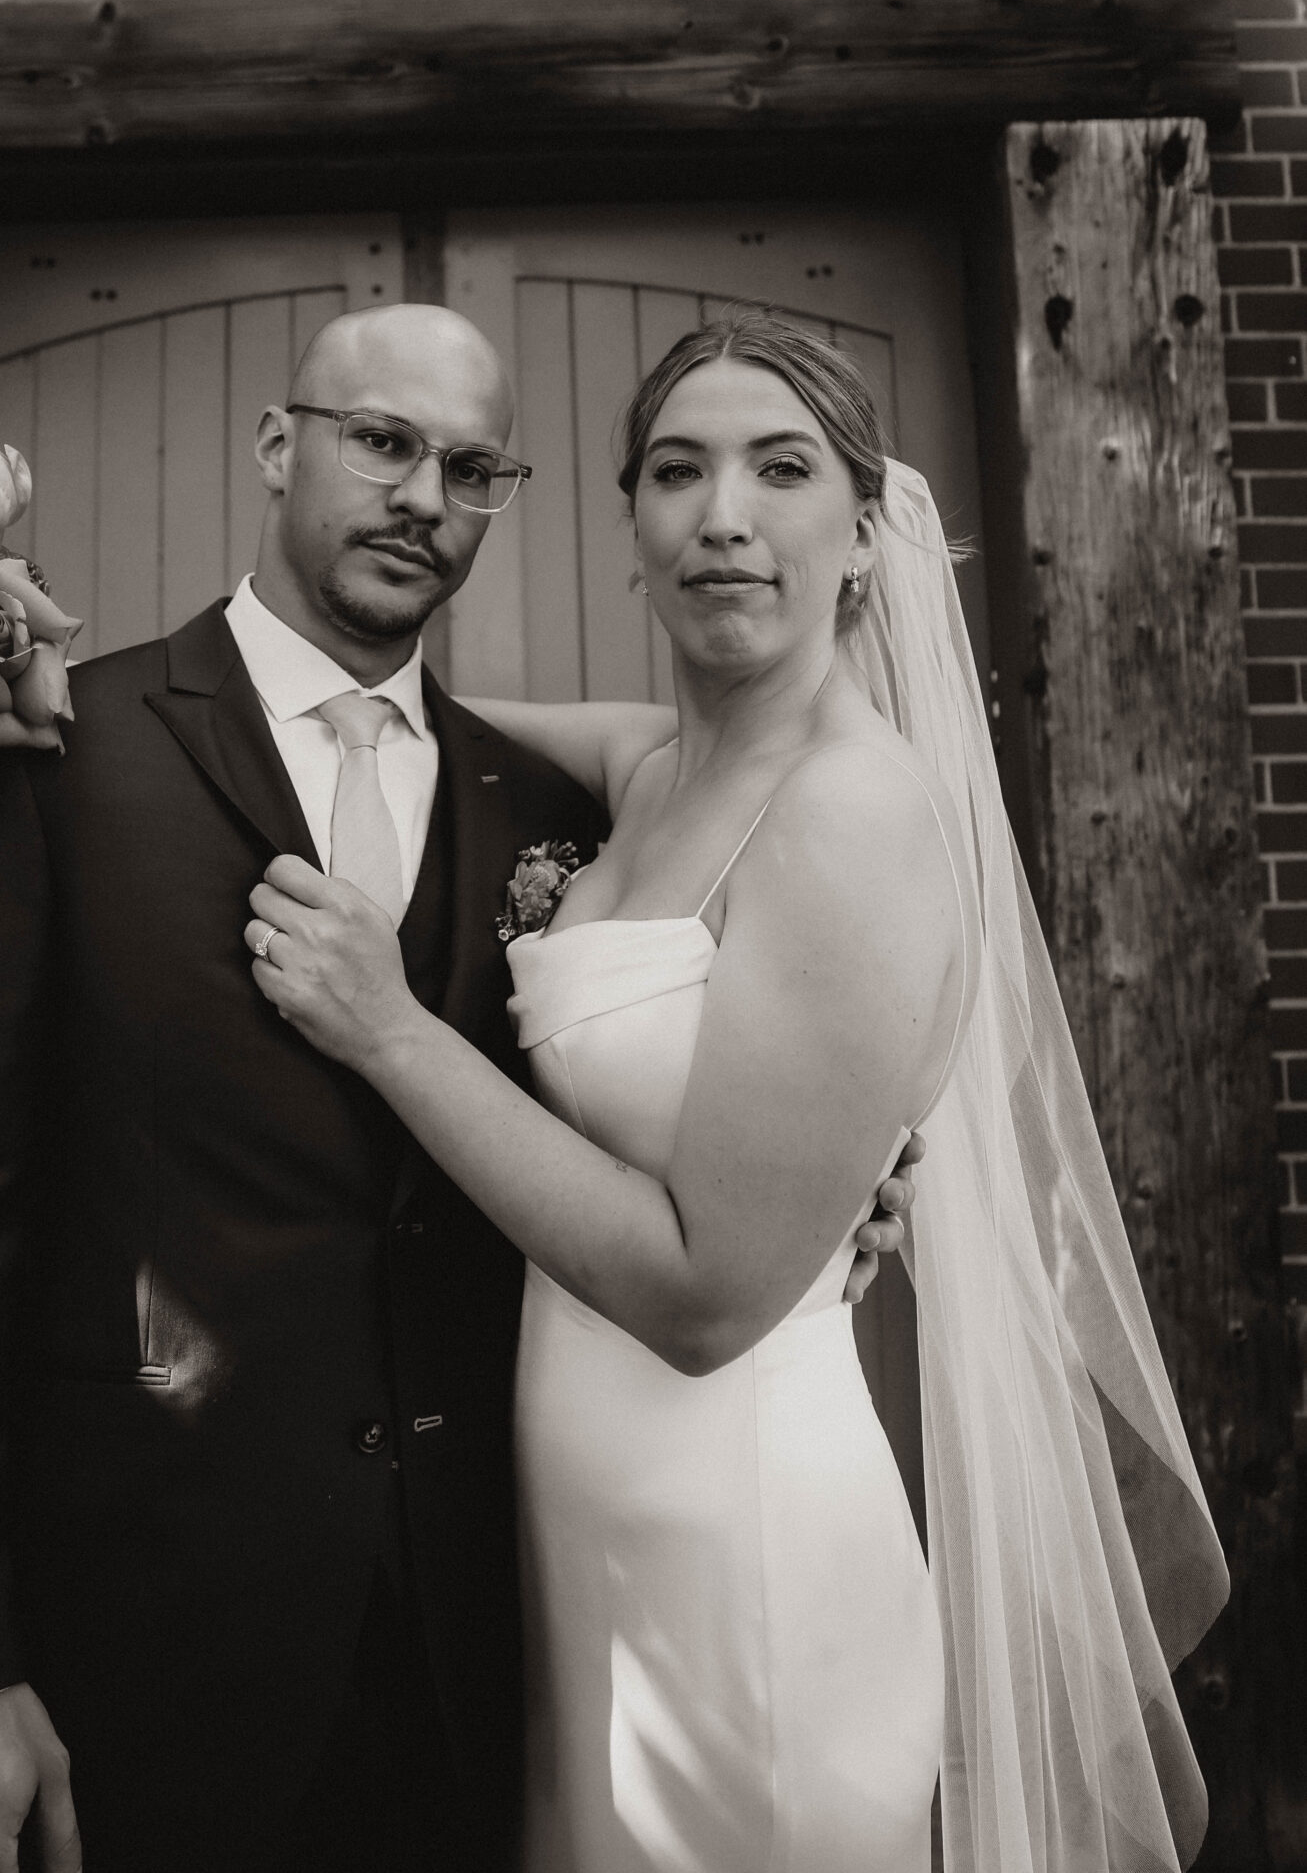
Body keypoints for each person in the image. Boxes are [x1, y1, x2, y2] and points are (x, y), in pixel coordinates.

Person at [0, 302, 916, 1873]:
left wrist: (839, 1176)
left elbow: (687, 1085)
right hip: (146, 1658)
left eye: (471, 467)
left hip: (497, 1651)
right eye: (383, 442)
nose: (423, 494)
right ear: (280, 446)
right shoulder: (46, 768)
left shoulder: (546, 810)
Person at [248, 309, 1231, 1873]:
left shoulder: (853, 814)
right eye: (675, 471)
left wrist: (391, 1033)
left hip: (745, 1543)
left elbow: (709, 1297)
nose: (722, 516)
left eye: (781, 469)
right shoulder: (653, 772)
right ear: (628, 526)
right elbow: (346, 725)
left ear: (864, 532)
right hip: (583, 1540)